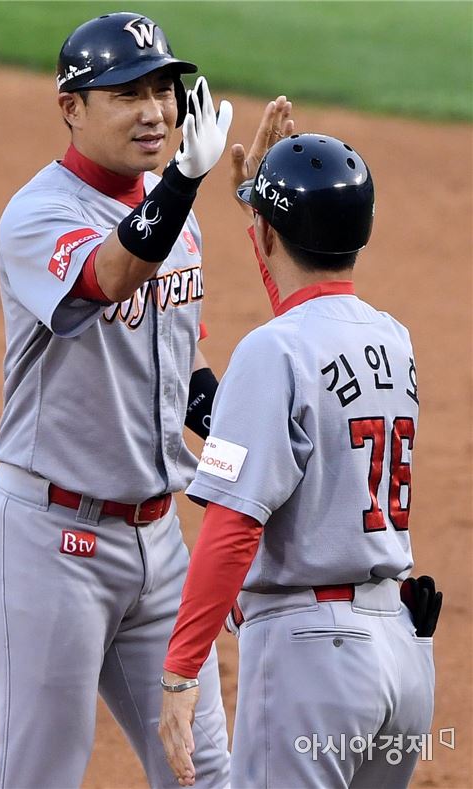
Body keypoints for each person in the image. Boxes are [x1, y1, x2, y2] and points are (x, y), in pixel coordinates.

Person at [0, 11, 238, 788]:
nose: (154, 110)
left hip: (159, 548)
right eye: (126, 92)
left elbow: (188, 363)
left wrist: (233, 479)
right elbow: (109, 275)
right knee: (38, 776)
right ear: (71, 107)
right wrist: (182, 182)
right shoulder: (38, 214)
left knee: (206, 773)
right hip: (51, 547)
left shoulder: (173, 220)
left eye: (163, 89)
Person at [159, 132, 441, 788]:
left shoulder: (273, 351)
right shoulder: (391, 339)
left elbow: (232, 528)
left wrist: (179, 672)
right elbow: (305, 335)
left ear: (265, 234)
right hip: (401, 658)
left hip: (312, 664)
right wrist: (262, 207)